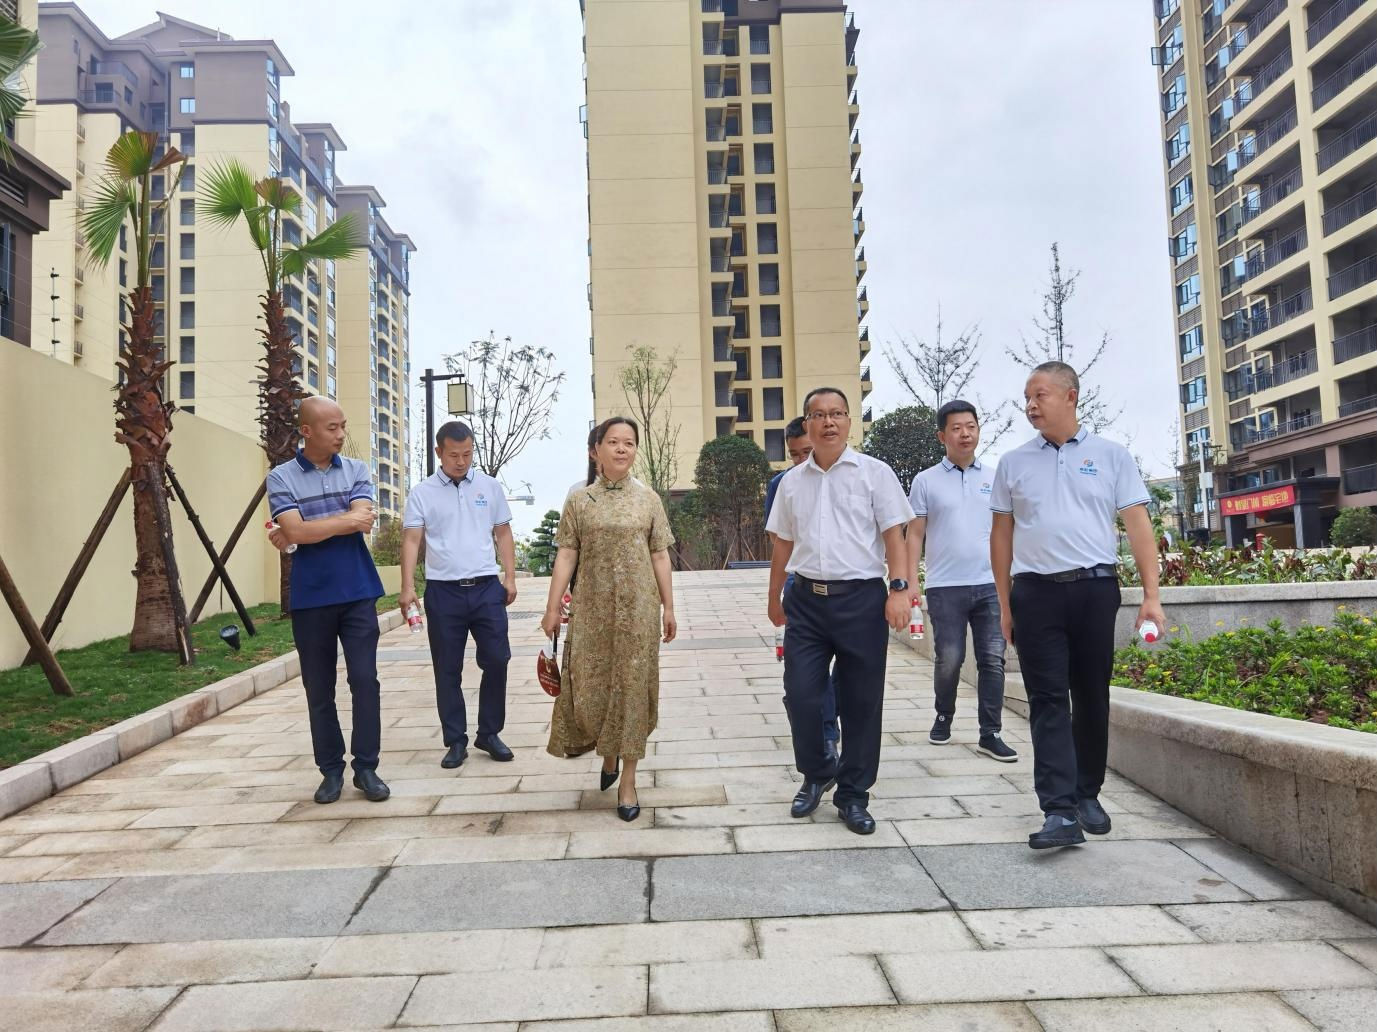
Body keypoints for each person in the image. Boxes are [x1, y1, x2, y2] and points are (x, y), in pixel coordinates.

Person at [990, 361, 1166, 850]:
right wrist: (1005, 603)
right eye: (1027, 398)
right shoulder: (1012, 463)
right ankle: (1058, 810)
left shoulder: (1112, 456)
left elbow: (1138, 526)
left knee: (1091, 694)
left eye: (1040, 395)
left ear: (1070, 396)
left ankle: (1088, 793)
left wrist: (1151, 596)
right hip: (1035, 593)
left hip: (1095, 589)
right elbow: (1001, 536)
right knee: (1047, 699)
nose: (1031, 405)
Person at [766, 388, 912, 835]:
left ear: (849, 421)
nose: (828, 422)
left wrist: (900, 589)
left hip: (861, 601)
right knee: (802, 694)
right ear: (807, 424)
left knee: (861, 703)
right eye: (818, 415)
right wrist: (773, 597)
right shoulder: (791, 483)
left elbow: (894, 536)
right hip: (807, 602)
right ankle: (817, 772)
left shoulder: (875, 473)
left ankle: (853, 794)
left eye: (837, 414)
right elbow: (782, 543)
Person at [541, 417, 677, 822]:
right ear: (596, 450)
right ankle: (608, 753)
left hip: (638, 611)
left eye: (629, 443)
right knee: (593, 686)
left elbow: (659, 555)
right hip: (591, 610)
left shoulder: (648, 499)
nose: (622, 449)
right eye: (614, 442)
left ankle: (628, 782)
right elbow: (567, 554)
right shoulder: (580, 501)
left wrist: (669, 607)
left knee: (633, 689)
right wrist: (552, 608)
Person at [265, 397, 389, 805]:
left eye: (342, 425)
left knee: (365, 681)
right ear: (307, 432)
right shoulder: (280, 477)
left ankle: (366, 768)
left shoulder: (356, 469)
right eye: (332, 427)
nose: (340, 434)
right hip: (311, 596)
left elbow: (360, 520)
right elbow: (296, 532)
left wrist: (306, 527)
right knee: (318, 688)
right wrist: (339, 522)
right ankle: (331, 771)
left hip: (358, 592)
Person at [400, 421, 517, 769]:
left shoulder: (489, 487)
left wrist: (510, 577)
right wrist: (407, 587)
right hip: (443, 591)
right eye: (453, 455)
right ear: (439, 452)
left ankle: (489, 733)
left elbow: (503, 533)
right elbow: (411, 539)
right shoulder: (422, 493)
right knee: (447, 668)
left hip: (486, 588)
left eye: (467, 454)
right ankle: (455, 740)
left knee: (497, 658)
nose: (461, 461)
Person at [908, 400, 1017, 762]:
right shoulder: (925, 481)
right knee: (949, 658)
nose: (965, 434)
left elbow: (1008, 530)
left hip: (991, 585)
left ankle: (991, 732)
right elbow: (915, 534)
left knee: (993, 660)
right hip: (945, 586)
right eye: (956, 428)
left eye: (971, 426)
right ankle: (944, 715)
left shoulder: (996, 477)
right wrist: (910, 581)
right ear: (942, 436)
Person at [765, 416, 840, 761]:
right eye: (794, 454)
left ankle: (831, 720)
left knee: (847, 668)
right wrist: (776, 594)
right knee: (807, 669)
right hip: (800, 581)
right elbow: (777, 538)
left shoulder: (845, 476)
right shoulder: (781, 484)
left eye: (805, 452)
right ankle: (826, 735)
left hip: (847, 587)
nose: (799, 460)